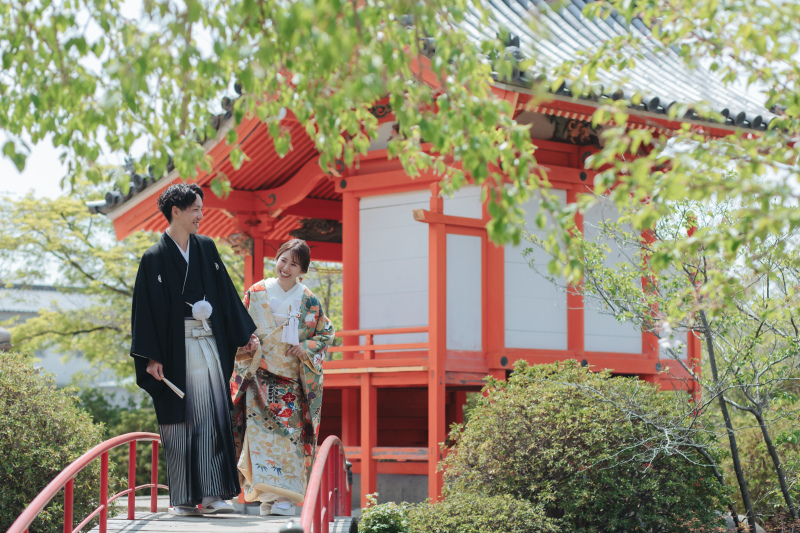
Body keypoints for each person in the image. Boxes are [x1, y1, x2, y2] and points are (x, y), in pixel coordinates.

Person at [130, 183, 258, 516]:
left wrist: (244, 333)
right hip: (174, 351)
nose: (201, 215)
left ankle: (213, 494)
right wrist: (151, 357)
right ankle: (184, 498)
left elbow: (226, 292)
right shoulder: (153, 258)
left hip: (208, 343)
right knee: (178, 422)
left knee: (212, 416)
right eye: (195, 209)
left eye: (201, 209)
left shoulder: (206, 248)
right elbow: (144, 310)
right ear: (176, 211)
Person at [231, 239, 335, 517]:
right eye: (283, 260)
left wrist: (306, 347)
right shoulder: (256, 292)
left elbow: (326, 333)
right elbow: (237, 326)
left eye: (294, 264)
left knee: (289, 439)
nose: (286, 268)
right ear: (276, 259)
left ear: (303, 270)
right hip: (258, 378)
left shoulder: (309, 299)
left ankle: (286, 499)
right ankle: (267, 498)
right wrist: (248, 341)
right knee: (259, 438)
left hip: (291, 382)